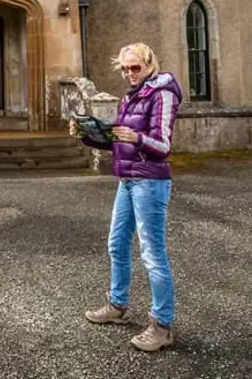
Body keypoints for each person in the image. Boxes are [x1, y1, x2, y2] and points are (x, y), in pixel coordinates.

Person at [73, 42, 183, 352]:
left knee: (152, 253)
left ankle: (162, 326)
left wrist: (136, 137)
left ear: (150, 65)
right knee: (117, 243)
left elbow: (162, 146)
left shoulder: (162, 93)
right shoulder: (132, 95)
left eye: (135, 67)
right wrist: (86, 134)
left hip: (150, 181)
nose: (129, 73)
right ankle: (117, 305)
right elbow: (118, 143)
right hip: (128, 181)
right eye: (124, 69)